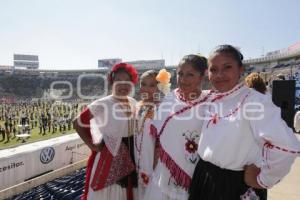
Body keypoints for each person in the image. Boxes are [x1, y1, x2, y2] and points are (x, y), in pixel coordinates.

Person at [189, 45, 300, 200]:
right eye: (214, 69)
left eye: (227, 67)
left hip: (233, 184)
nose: (219, 74)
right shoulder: (211, 97)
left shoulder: (255, 101)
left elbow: (287, 146)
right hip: (204, 176)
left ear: (241, 70)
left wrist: (262, 179)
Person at [144, 54, 210, 200]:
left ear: (202, 76)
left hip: (199, 172)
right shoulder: (168, 100)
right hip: (166, 171)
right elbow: (158, 138)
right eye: (180, 74)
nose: (183, 79)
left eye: (190, 74)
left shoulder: (212, 101)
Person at [73, 63, 138, 200]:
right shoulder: (103, 103)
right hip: (110, 156)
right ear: (112, 83)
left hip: (131, 154)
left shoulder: (132, 102)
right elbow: (78, 122)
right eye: (119, 81)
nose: (123, 85)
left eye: (127, 81)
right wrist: (92, 145)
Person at [134, 70, 162, 199]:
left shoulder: (163, 107)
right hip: (138, 161)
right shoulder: (137, 106)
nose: (146, 88)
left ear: (159, 87)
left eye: (152, 85)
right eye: (143, 84)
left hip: (154, 163)